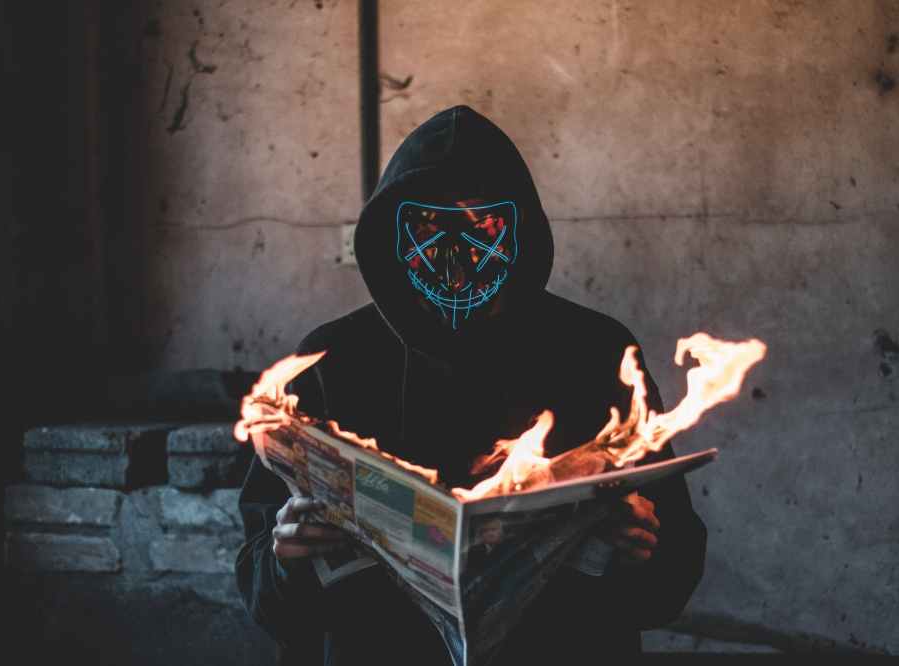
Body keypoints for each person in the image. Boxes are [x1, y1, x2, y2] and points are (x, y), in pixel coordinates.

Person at [237, 105, 707, 664]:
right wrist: (286, 558)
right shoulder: (329, 361)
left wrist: (643, 549)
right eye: (429, 227)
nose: (455, 256)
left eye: (480, 225)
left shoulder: (597, 352)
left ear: (519, 230)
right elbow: (265, 598)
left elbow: (672, 577)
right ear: (392, 234)